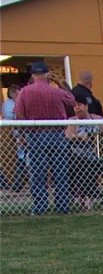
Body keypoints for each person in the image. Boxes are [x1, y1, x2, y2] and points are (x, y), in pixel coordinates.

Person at [13, 61, 75, 214]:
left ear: (33, 75)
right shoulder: (56, 92)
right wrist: (60, 83)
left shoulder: (25, 92)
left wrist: (24, 131)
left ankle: (40, 207)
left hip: (35, 135)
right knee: (60, 172)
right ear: (47, 74)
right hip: (57, 135)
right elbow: (72, 100)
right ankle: (62, 206)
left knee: (38, 173)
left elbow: (19, 113)